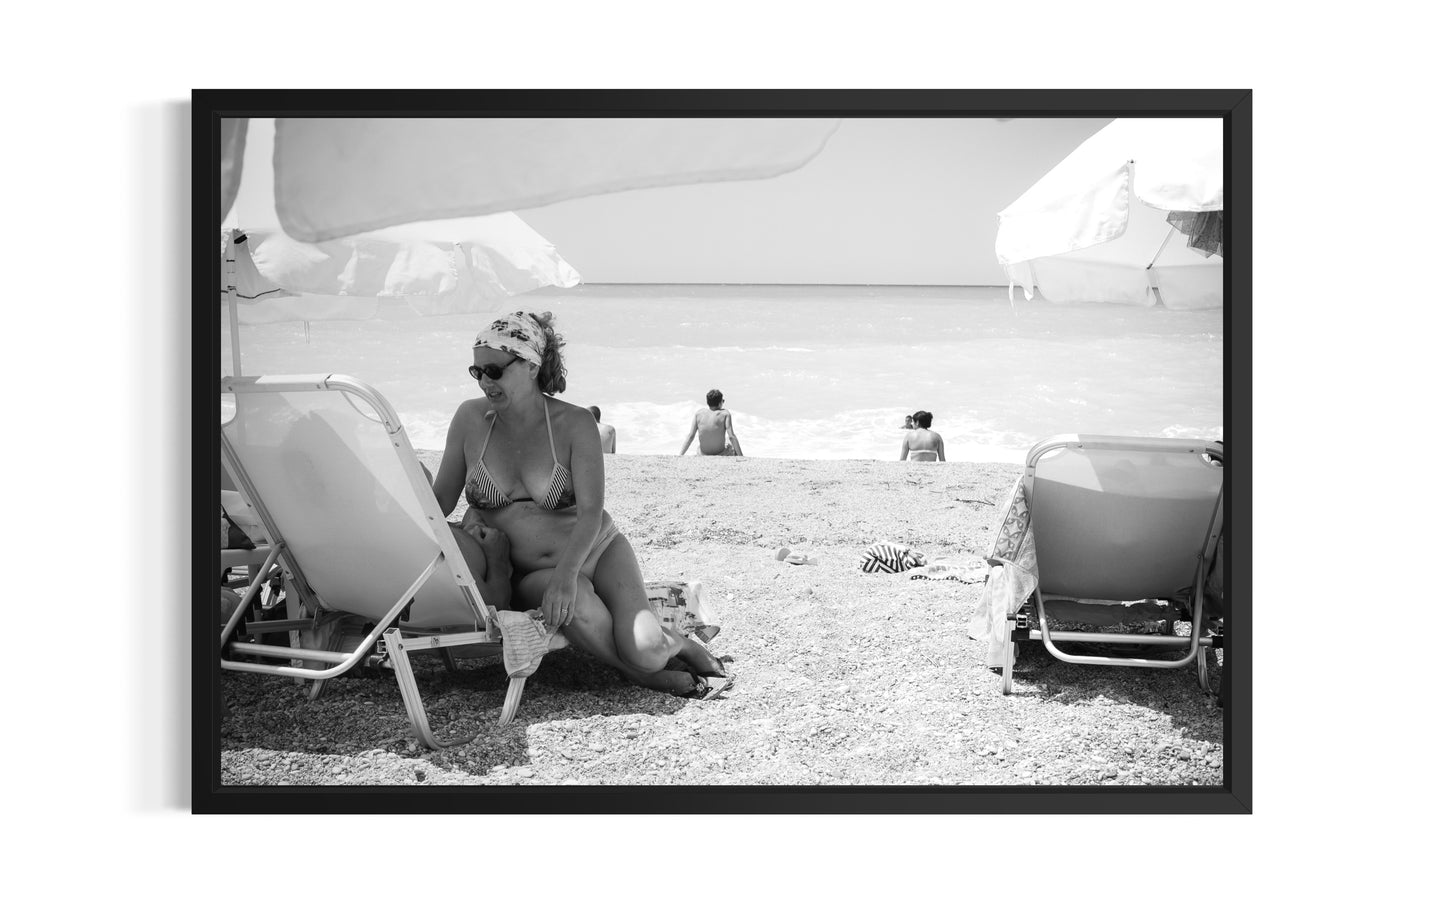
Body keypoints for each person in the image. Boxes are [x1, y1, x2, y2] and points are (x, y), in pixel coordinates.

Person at [431, 311, 732, 699]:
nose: (485, 381)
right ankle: (640, 675)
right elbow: (438, 502)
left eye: (494, 370)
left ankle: (681, 644)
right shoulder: (470, 419)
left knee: (649, 648)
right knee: (631, 654)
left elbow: (591, 512)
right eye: (477, 372)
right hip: (533, 571)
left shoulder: (574, 424)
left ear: (530, 365)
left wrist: (567, 576)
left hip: (597, 549)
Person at [680, 389, 744, 456]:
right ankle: (739, 459)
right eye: (723, 401)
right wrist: (741, 455)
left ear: (708, 402)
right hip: (720, 454)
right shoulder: (725, 414)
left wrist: (680, 455)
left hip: (702, 453)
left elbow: (691, 436)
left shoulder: (699, 414)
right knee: (730, 442)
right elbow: (731, 436)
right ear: (720, 403)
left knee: (699, 446)